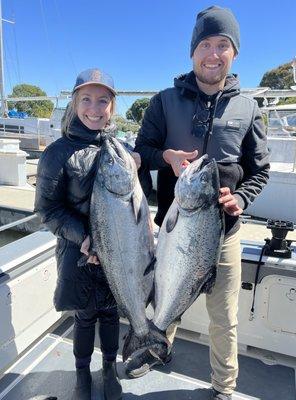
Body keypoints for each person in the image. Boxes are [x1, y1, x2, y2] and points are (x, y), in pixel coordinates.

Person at [127, 6, 270, 400]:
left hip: (224, 236)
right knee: (164, 297)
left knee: (224, 318)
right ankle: (154, 349)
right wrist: (166, 158)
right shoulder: (163, 101)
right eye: (205, 44)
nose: (213, 53)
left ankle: (224, 387)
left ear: (234, 52)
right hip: (173, 229)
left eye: (222, 44)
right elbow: (143, 151)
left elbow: (260, 171)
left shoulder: (249, 107)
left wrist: (240, 197)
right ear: (192, 52)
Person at [34, 68, 126, 400]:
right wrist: (84, 236)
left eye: (103, 100)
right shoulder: (57, 153)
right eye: (86, 99)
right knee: (85, 316)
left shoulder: (121, 149)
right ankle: (82, 375)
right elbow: (48, 209)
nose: (94, 108)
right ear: (74, 103)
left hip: (117, 255)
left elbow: (136, 200)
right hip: (78, 253)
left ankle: (109, 370)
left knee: (112, 313)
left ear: (112, 107)